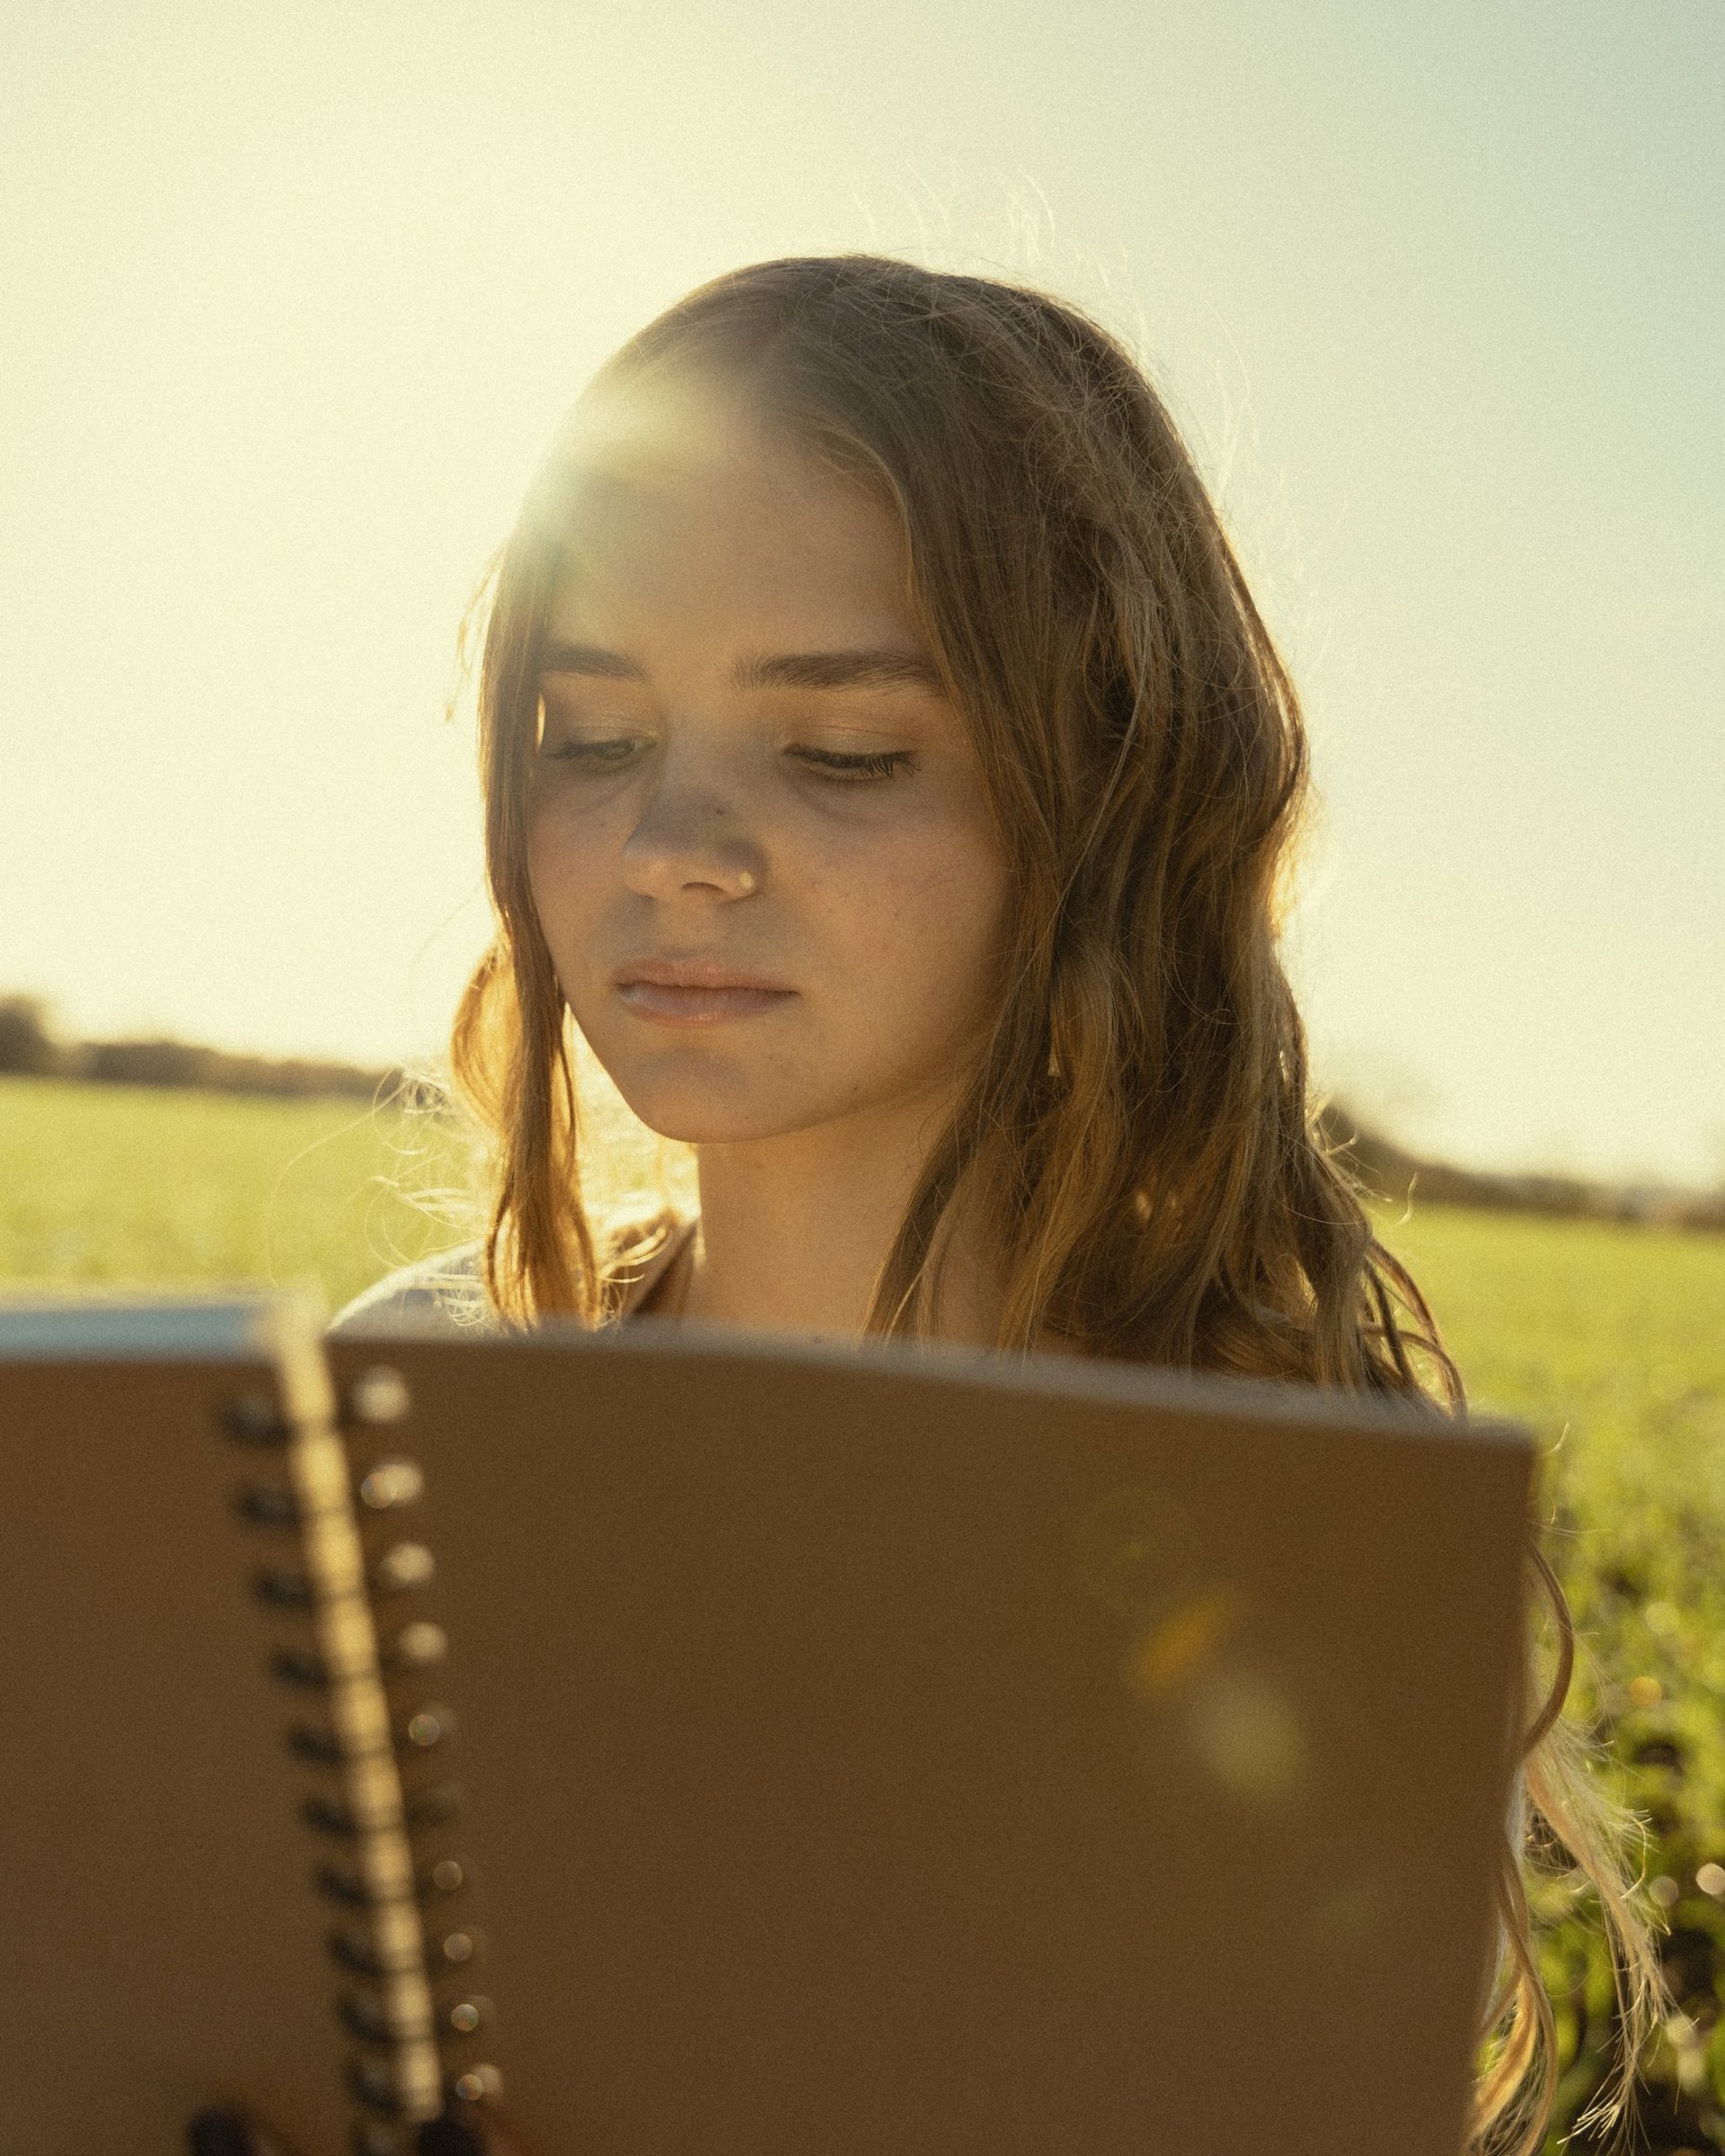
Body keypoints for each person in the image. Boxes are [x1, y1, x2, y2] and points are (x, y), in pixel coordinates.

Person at [232, 257, 1658, 2155]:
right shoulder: (401, 1399)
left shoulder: (1297, 1551)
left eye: (843, 754)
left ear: (1103, 799)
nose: (671, 851)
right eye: (591, 737)